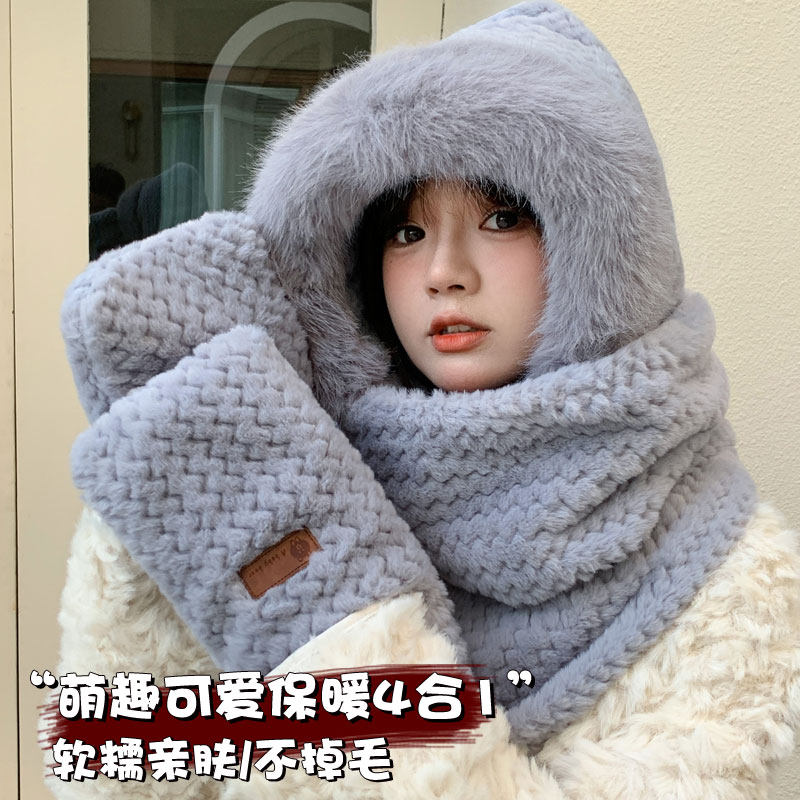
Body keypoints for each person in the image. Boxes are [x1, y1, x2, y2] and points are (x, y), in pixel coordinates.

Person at [51, 2, 799, 798]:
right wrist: (189, 512)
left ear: (604, 245)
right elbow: (117, 774)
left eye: (502, 218)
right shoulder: (252, 455)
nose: (444, 271)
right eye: (405, 232)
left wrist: (320, 614)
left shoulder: (728, 574)